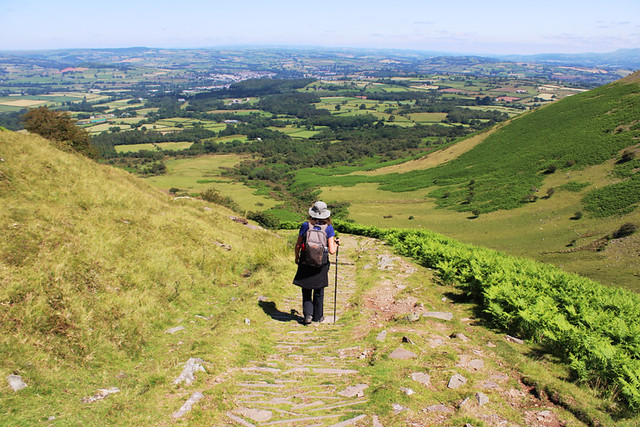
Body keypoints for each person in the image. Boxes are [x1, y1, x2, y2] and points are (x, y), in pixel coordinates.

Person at [293, 201, 340, 325]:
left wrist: (297, 257)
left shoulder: (305, 225)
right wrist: (336, 243)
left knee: (306, 288)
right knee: (319, 290)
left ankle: (308, 314)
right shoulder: (329, 228)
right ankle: (318, 317)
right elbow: (331, 251)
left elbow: (298, 245)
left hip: (306, 260)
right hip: (321, 263)